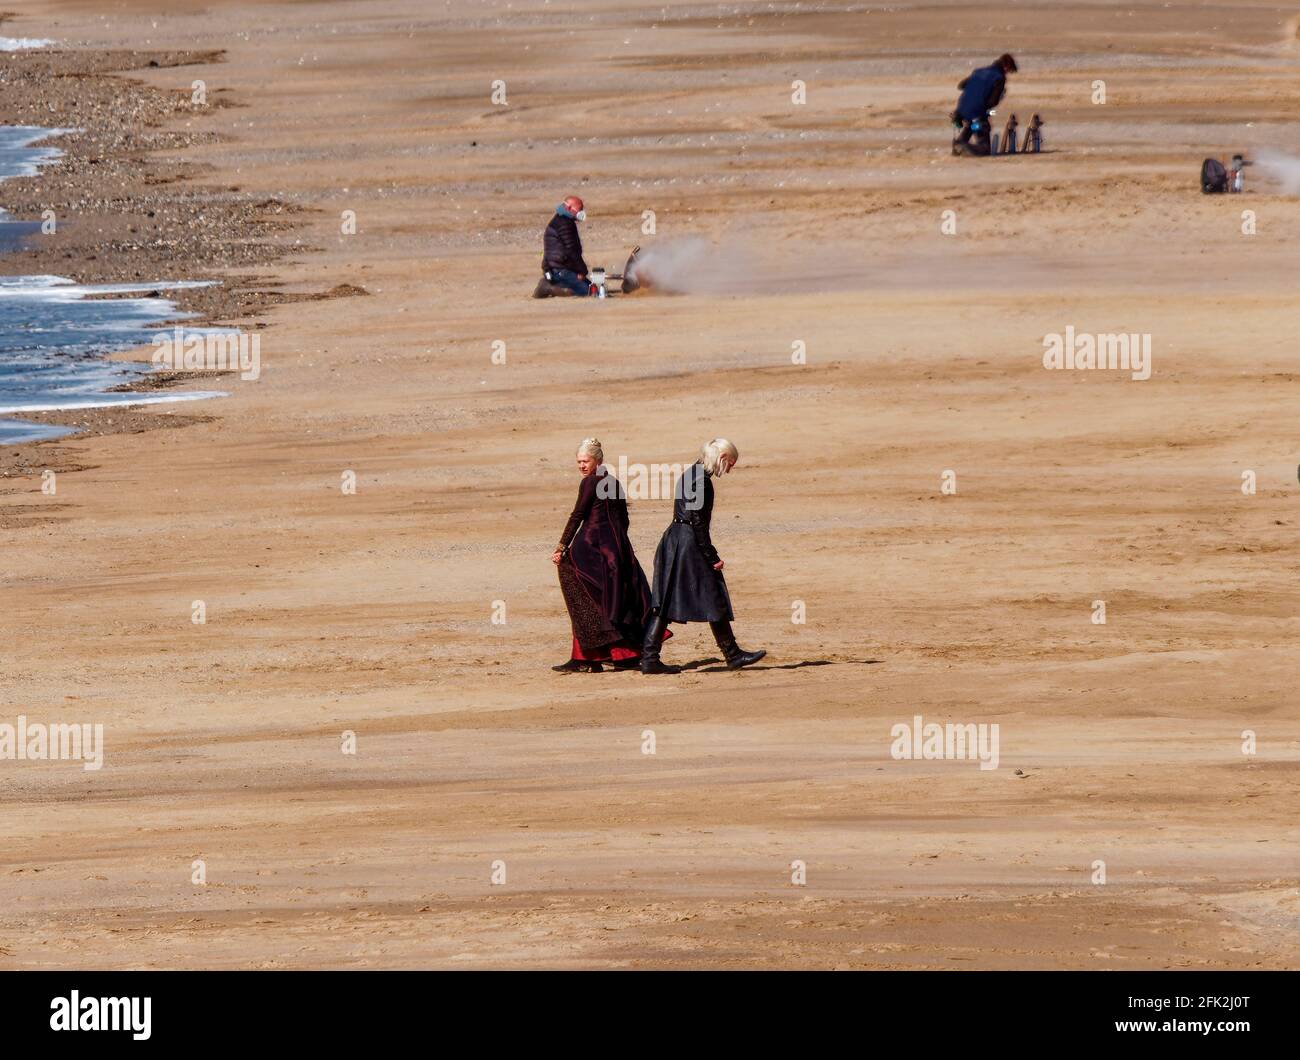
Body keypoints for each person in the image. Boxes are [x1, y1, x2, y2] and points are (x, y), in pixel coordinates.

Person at [641, 438, 765, 674]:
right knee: (712, 594)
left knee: (666, 600)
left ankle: (649, 658)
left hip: (675, 539)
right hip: (688, 543)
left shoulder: (691, 473)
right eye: (730, 463)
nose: (729, 469)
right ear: (721, 458)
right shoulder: (701, 481)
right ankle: (733, 655)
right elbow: (698, 521)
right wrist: (712, 555)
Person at [552, 437, 660, 672]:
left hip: (588, 550)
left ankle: (586, 657)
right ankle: (621, 654)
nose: (582, 466)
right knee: (613, 600)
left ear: (597, 460)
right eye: (579, 462)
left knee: (582, 597)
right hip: (616, 551)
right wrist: (617, 544)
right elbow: (624, 519)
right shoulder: (614, 482)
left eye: (585, 461)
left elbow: (577, 515)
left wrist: (561, 547)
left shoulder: (590, 483)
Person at [952, 53, 1017, 157]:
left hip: (961, 109)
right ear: (1006, 67)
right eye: (1009, 71)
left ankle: (959, 143)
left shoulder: (978, 71)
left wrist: (976, 90)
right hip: (976, 111)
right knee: (984, 145)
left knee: (972, 124)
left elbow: (961, 85)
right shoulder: (999, 78)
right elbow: (992, 102)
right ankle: (967, 146)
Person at [542, 195, 595, 297]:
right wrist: (582, 270)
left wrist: (546, 269)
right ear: (570, 208)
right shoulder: (564, 224)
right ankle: (550, 288)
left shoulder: (559, 220)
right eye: (579, 209)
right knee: (590, 291)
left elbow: (550, 251)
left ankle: (553, 285)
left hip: (556, 269)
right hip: (561, 270)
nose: (581, 212)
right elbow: (571, 251)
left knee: (589, 286)